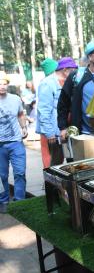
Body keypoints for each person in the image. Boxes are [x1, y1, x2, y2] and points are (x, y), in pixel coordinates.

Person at [57, 40, 94, 140]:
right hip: (82, 134)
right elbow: (63, 103)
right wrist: (63, 127)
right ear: (89, 56)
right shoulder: (76, 76)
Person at [36, 57, 78, 168]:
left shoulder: (70, 82)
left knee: (71, 162)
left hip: (65, 131)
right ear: (65, 70)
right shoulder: (47, 83)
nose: (76, 72)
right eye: (74, 69)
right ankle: (50, 185)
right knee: (53, 165)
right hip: (52, 132)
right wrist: (49, 133)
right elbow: (43, 111)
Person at [0, 71, 28, 214]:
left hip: (16, 142)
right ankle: (3, 200)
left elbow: (20, 114)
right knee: (2, 176)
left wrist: (24, 127)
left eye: (4, 83)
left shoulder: (15, 99)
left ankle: (20, 202)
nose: (2, 86)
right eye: (0, 84)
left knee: (20, 172)